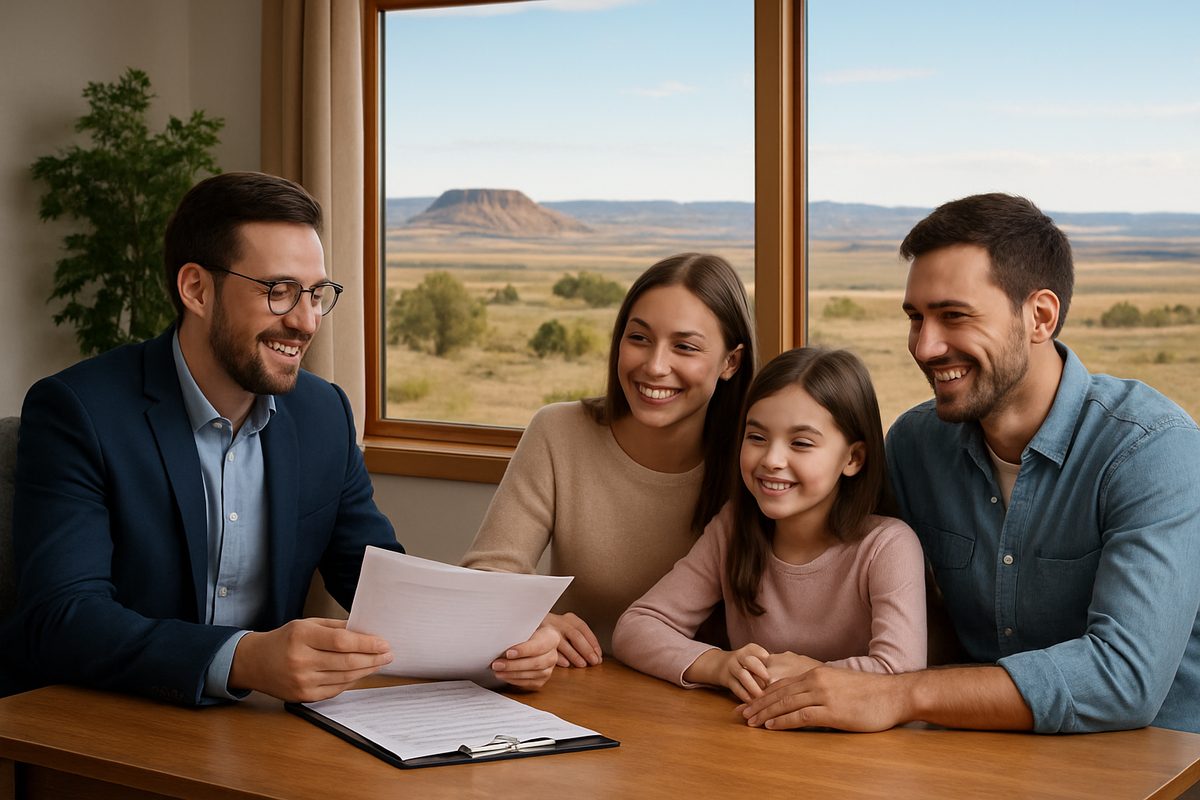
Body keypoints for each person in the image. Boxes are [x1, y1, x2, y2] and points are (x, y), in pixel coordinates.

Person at [0, 172, 557, 706]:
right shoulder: (79, 411)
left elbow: (378, 582)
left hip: (260, 728)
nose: (307, 321)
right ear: (196, 288)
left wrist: (502, 644)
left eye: (316, 293)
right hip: (105, 721)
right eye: (280, 291)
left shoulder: (322, 413)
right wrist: (242, 658)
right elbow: (62, 617)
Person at [741, 193, 1200, 735]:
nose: (926, 346)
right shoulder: (914, 445)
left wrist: (898, 693)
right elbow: (868, 583)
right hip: (974, 752)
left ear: (1040, 316)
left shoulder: (1153, 449)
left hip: (1153, 767)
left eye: (954, 316)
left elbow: (1124, 681)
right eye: (916, 318)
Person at [461, 253, 756, 666]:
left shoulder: (759, 463)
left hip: (711, 701)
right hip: (581, 689)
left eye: (684, 347)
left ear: (731, 362)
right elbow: (487, 574)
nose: (654, 366)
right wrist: (534, 620)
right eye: (639, 338)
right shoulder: (558, 431)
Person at [612, 347, 926, 701]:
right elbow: (636, 626)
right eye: (757, 437)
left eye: (801, 443)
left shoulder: (887, 546)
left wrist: (810, 675)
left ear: (852, 458)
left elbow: (901, 672)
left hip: (857, 750)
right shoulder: (732, 529)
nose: (772, 460)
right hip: (751, 739)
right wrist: (718, 664)